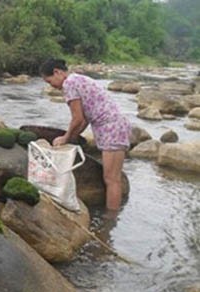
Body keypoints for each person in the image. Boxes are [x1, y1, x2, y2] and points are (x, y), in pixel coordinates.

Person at [39, 58, 131, 213]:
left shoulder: (69, 84)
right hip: (115, 126)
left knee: (112, 180)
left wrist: (66, 138)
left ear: (57, 72)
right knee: (112, 178)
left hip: (111, 128)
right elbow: (85, 119)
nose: (51, 86)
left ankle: (110, 220)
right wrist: (73, 136)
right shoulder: (77, 79)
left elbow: (77, 118)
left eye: (49, 81)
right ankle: (112, 216)